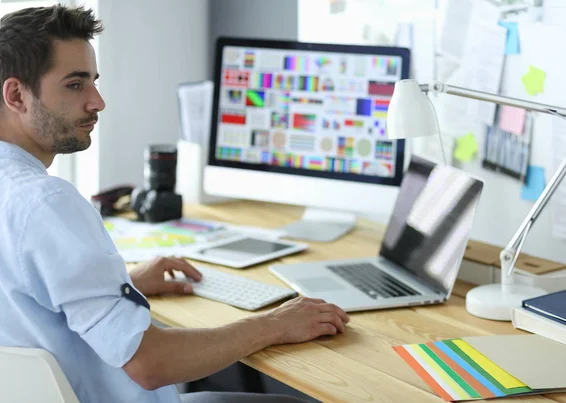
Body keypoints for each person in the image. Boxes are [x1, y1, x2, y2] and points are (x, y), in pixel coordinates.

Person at [0, 5, 349, 403]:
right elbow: (151, 365)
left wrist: (123, 286)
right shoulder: (47, 203)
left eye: (94, 82)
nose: (98, 101)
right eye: (75, 85)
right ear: (16, 95)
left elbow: (24, 300)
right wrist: (275, 324)